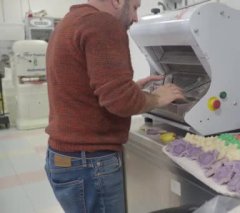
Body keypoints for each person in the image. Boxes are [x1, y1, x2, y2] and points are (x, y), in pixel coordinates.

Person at [44, 0, 184, 212]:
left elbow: (82, 85)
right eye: (135, 7)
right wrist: (157, 99)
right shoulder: (103, 23)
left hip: (65, 158)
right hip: (90, 163)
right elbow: (120, 101)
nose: (136, 17)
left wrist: (132, 88)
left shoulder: (70, 21)